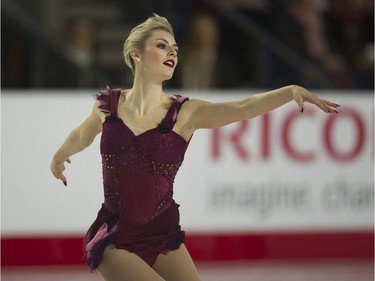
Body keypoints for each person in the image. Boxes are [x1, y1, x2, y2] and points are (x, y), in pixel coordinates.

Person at [50, 14, 340, 281]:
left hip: (162, 234)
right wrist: (60, 155)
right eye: (162, 45)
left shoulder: (185, 113)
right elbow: (82, 134)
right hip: (114, 235)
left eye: (174, 47)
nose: (172, 52)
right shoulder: (108, 105)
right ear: (135, 54)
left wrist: (288, 91)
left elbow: (244, 107)